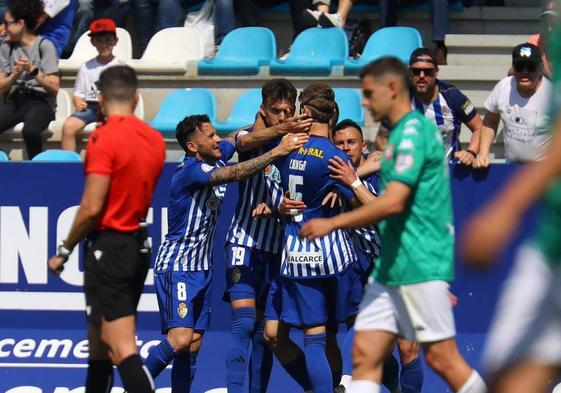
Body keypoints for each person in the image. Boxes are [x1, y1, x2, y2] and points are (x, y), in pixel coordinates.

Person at [300, 57, 487, 393]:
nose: (363, 101)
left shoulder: (413, 134)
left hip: (416, 263)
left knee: (436, 357)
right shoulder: (398, 136)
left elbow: (394, 204)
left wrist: (338, 216)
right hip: (391, 266)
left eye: (369, 93)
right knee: (364, 353)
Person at [143, 115, 308, 392]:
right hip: (178, 265)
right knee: (181, 338)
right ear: (193, 147)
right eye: (209, 136)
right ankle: (135, 383)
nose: (217, 139)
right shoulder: (190, 172)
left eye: (215, 133)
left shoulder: (216, 155)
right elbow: (234, 173)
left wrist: (260, 121)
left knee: (193, 342)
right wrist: (277, 150)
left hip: (202, 268)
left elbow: (236, 139)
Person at [47, 65, 165, 393]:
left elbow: (91, 207)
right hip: (137, 244)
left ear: (99, 98)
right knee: (98, 342)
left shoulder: (103, 137)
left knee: (121, 346)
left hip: (110, 247)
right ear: (137, 96)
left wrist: (64, 250)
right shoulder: (154, 139)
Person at [461, 23, 561, 393]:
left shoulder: (552, 94)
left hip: (542, 192)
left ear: (541, 70)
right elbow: (489, 118)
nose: (523, 78)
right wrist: (483, 150)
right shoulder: (504, 88)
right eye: (518, 70)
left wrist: (507, 207)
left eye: (529, 72)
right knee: (508, 368)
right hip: (523, 189)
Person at [223, 78, 312, 393]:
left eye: (289, 110)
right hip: (244, 243)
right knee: (244, 323)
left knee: (267, 334)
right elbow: (241, 143)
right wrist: (280, 134)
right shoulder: (253, 135)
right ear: (264, 110)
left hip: (279, 249)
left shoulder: (301, 144)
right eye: (277, 111)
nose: (284, 116)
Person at [272, 83, 362, 393]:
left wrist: (279, 205)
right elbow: (360, 200)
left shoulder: (287, 149)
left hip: (296, 251)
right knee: (331, 334)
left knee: (314, 336)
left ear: (307, 113)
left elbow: (276, 190)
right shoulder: (334, 157)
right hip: (332, 254)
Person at [475, 43, 552, 168]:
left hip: (542, 171)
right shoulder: (503, 87)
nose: (525, 72)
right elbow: (490, 121)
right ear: (513, 68)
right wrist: (483, 153)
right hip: (511, 168)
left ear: (540, 68)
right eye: (520, 66)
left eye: (531, 67)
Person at [0, 0, 59, 159]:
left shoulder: (45, 46)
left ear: (20, 23)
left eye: (7, 23)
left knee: (31, 129)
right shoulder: (7, 47)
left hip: (41, 101)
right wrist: (14, 75)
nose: (4, 28)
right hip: (15, 100)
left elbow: (54, 87)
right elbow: (1, 87)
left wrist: (33, 70)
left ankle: (36, 168)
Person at [409, 48, 483, 165]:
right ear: (410, 72)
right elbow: (383, 138)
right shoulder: (399, 99)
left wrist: (471, 152)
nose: (422, 76)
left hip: (449, 175)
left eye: (428, 71)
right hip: (412, 177)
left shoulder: (452, 97)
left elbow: (479, 127)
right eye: (416, 71)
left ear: (436, 71)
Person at [61, 18, 122, 152]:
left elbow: (125, 95)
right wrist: (77, 100)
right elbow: (78, 92)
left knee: (106, 129)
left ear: (115, 41)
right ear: (93, 42)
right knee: (68, 127)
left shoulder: (120, 66)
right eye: (99, 40)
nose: (104, 44)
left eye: (108, 40)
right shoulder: (86, 67)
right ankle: (69, 165)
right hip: (90, 107)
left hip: (113, 109)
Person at [528, 0, 560, 79]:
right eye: (546, 22)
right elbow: (515, 71)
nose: (549, 28)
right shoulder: (535, 41)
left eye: (553, 22)